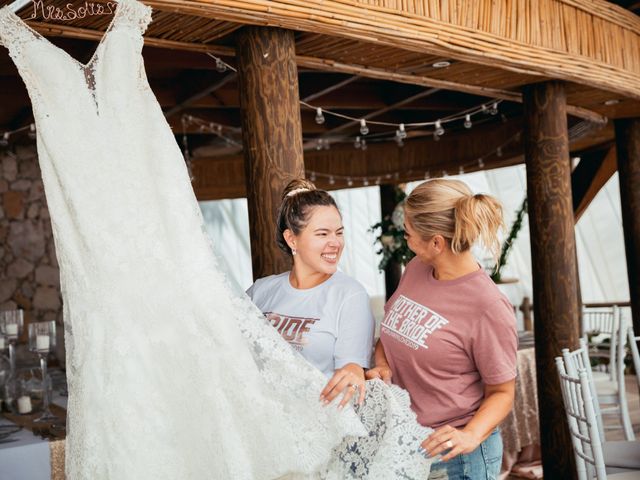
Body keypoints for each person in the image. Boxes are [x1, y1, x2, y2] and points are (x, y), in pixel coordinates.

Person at [366, 178, 517, 480]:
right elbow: (391, 334)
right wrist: (381, 365)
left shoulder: (488, 307)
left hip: (457, 461)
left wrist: (471, 435)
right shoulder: (416, 270)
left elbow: (502, 392)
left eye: (408, 234)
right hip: (407, 444)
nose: (406, 240)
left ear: (436, 242)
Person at [247, 178, 375, 408]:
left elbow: (350, 372)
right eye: (322, 234)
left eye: (339, 232)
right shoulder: (260, 292)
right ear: (291, 238)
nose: (335, 243)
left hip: (317, 422)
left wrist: (355, 370)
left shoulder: (350, 295)